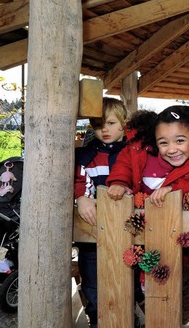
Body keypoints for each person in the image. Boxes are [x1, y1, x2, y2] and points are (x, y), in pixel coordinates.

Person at [73, 97, 129, 328]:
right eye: (98, 125)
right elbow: (81, 179)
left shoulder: (133, 153)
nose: (105, 129)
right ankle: (99, 318)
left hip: (127, 232)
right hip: (94, 232)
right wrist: (82, 198)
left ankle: (127, 316)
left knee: (128, 278)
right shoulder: (88, 156)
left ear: (124, 123)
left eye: (111, 123)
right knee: (93, 278)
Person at [106, 105, 189, 205]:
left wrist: (174, 189)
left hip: (180, 223)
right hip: (139, 219)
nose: (172, 150)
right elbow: (125, 165)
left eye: (180, 141)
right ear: (155, 141)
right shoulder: (140, 151)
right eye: (163, 143)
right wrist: (119, 183)